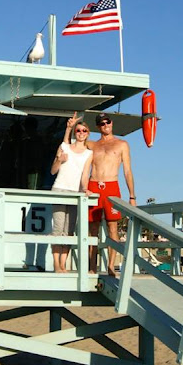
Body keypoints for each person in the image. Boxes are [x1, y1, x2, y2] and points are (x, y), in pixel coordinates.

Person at [86, 112, 136, 277]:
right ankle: (92, 265)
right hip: (93, 185)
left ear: (112, 123)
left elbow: (127, 171)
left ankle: (111, 266)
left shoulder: (122, 144)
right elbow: (72, 146)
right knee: (92, 228)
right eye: (102, 124)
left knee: (112, 228)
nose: (105, 125)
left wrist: (132, 196)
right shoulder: (92, 145)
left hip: (111, 186)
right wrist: (70, 128)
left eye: (107, 122)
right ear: (98, 127)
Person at [50, 113, 93, 273]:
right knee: (58, 228)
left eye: (84, 131)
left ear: (88, 134)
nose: (81, 133)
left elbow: (84, 175)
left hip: (75, 193)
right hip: (60, 189)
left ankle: (63, 263)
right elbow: (53, 171)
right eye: (79, 130)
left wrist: (84, 189)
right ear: (75, 132)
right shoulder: (65, 148)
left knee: (69, 230)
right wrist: (60, 160)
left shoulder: (89, 153)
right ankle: (56, 264)